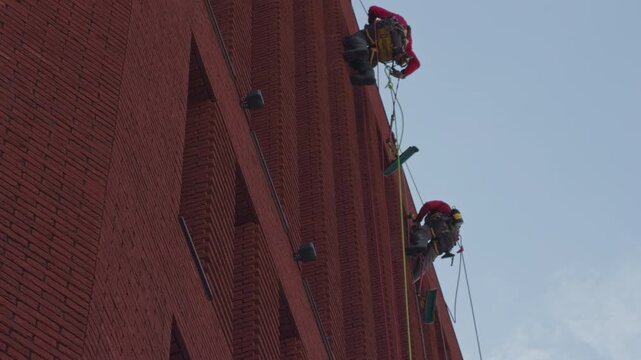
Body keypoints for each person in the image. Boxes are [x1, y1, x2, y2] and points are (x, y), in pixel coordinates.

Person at [343, 6, 421, 85]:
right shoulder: (407, 45)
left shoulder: (400, 20)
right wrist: (403, 73)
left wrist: (371, 23)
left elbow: (373, 9)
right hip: (383, 53)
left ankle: (361, 50)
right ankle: (369, 73)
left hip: (377, 33)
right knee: (368, 62)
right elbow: (416, 63)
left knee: (355, 39)